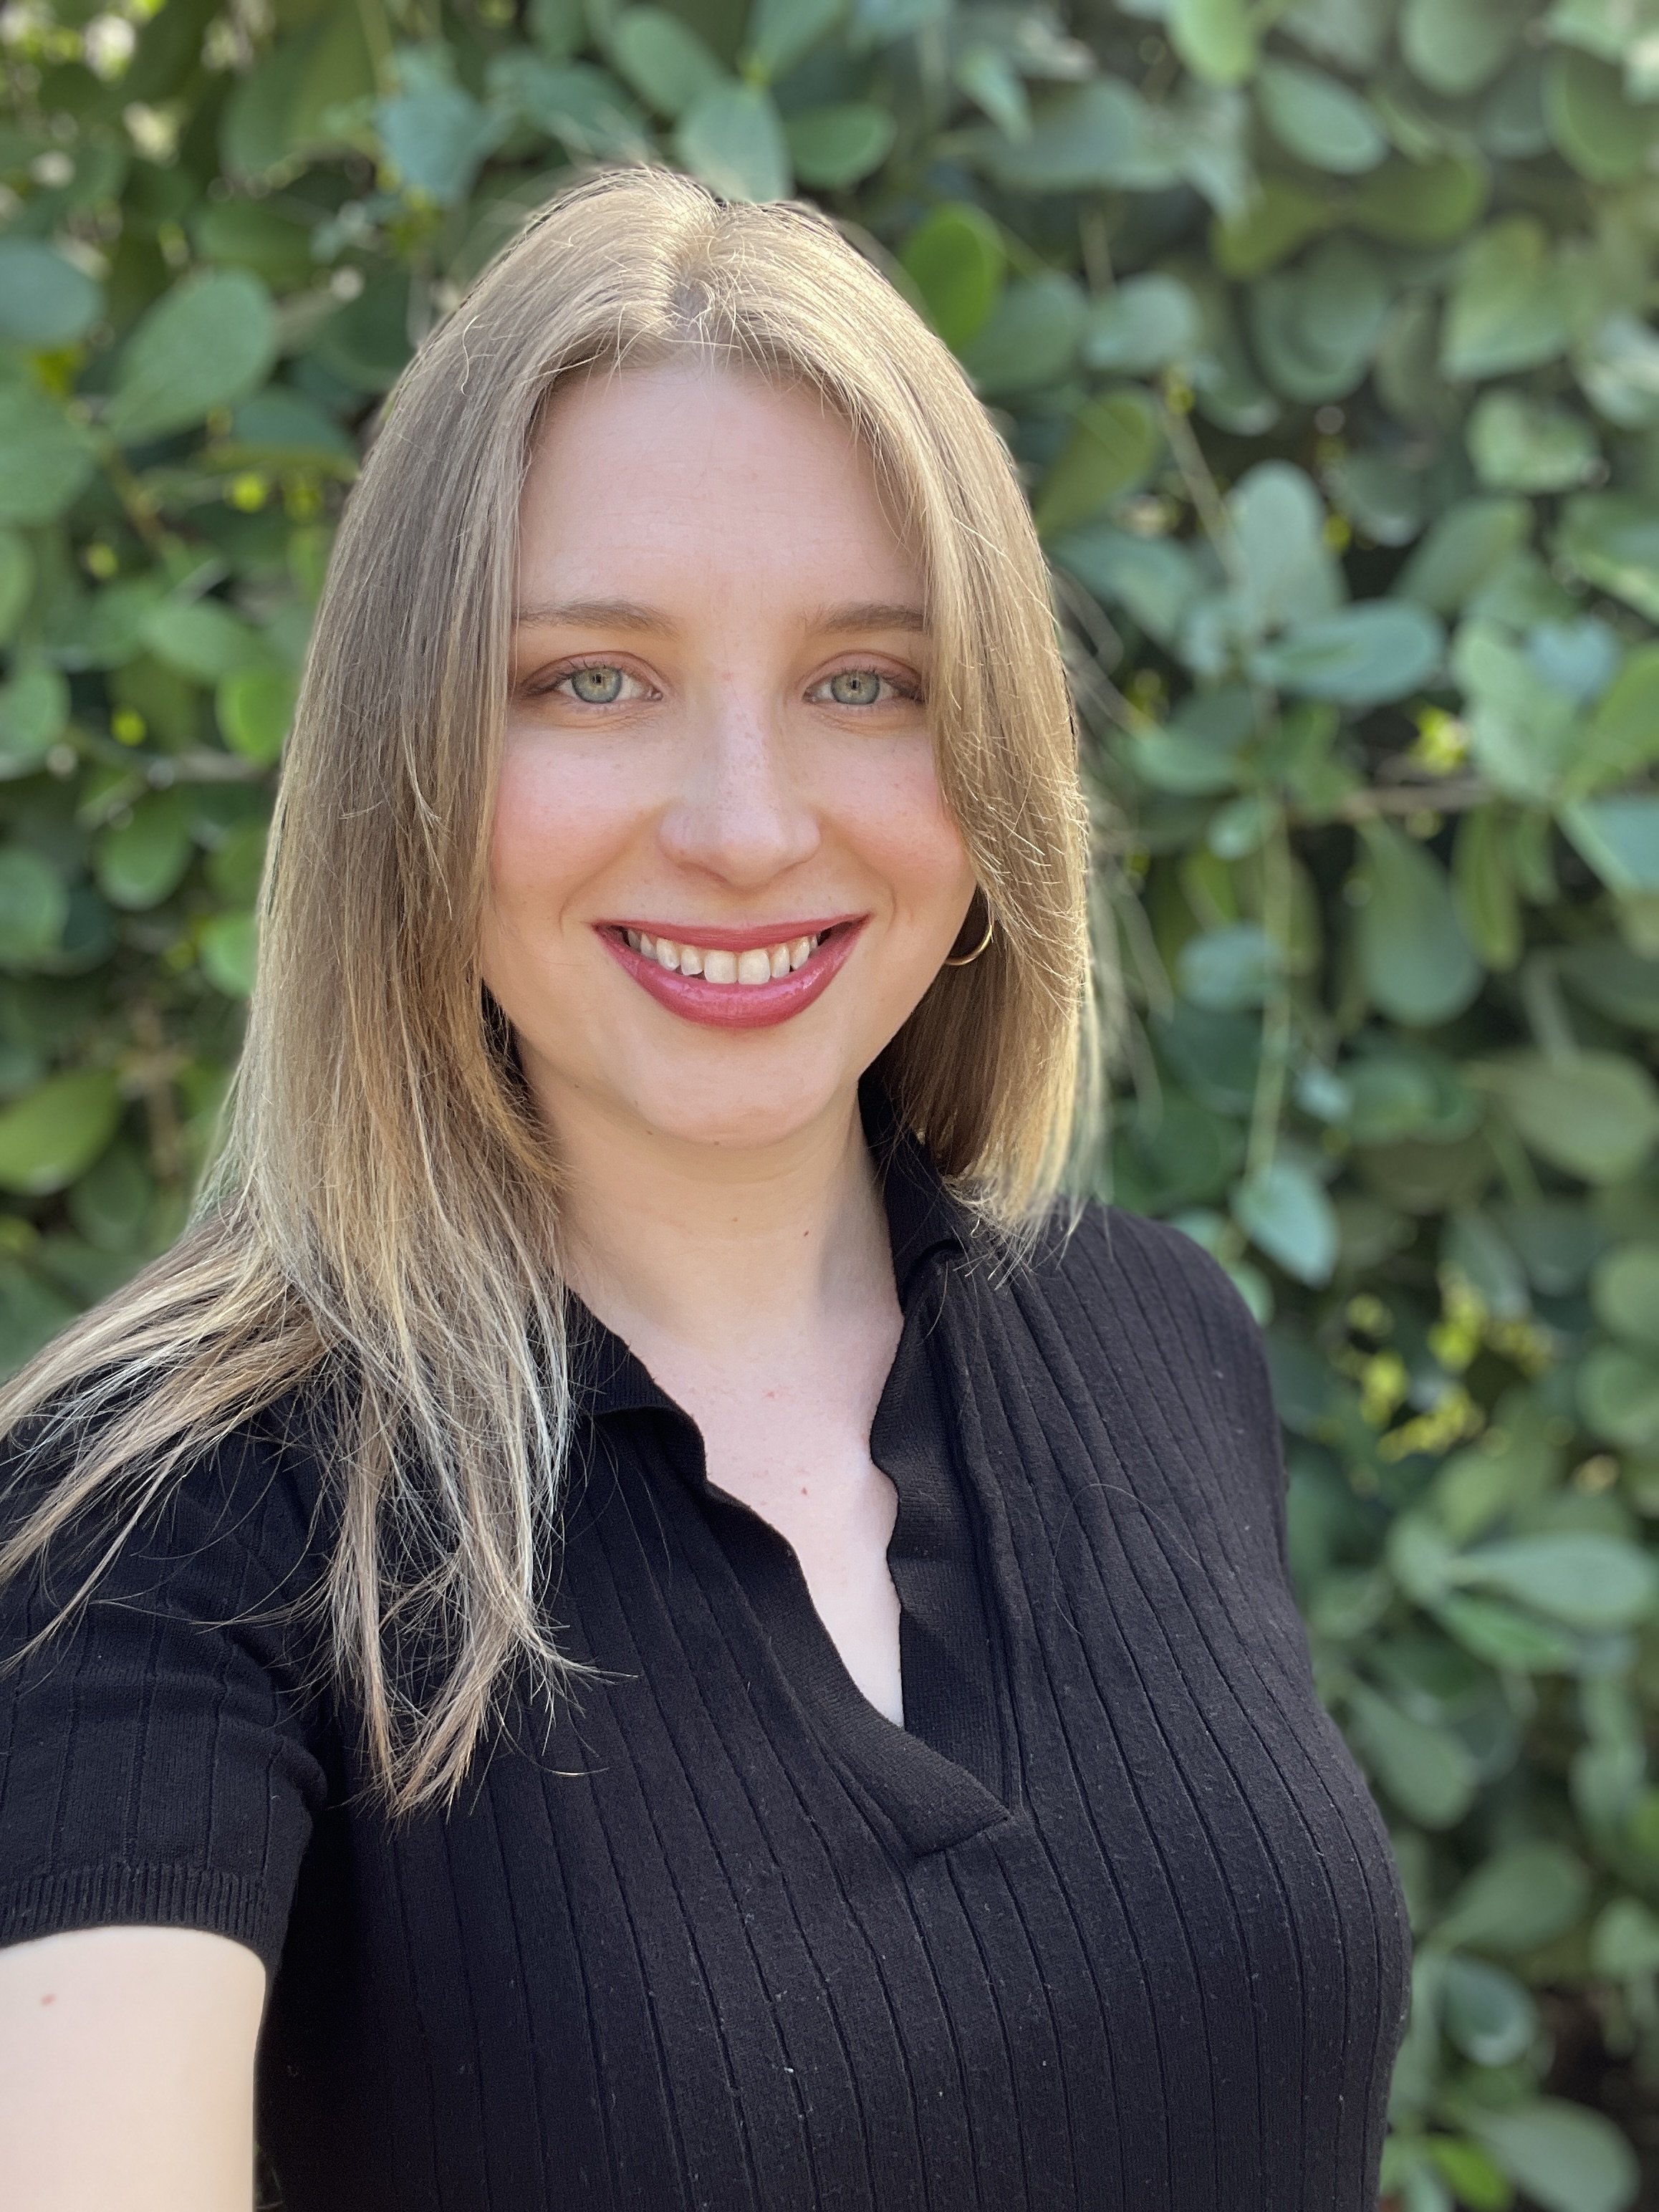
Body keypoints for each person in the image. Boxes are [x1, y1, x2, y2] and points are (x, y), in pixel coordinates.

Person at [0, 166, 1407, 2212]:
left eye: (866, 682)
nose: (746, 829)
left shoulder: (1157, 1335)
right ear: (410, 766)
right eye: (593, 678)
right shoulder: (163, 1514)